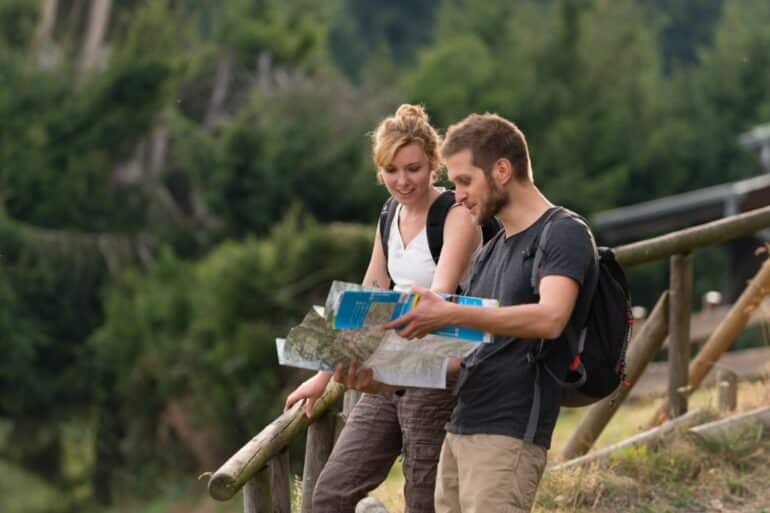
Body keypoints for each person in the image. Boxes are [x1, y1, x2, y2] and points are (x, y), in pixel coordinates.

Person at [378, 113, 599, 513]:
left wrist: (451, 313)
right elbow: (463, 354)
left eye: (465, 181)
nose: (456, 195)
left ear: (501, 170)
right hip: (460, 427)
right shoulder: (493, 251)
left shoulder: (564, 231)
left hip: (509, 433)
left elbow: (551, 318)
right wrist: (382, 373)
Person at [283, 104, 482, 513]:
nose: (402, 181)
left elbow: (436, 303)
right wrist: (322, 376)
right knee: (330, 495)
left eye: (413, 168)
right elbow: (366, 297)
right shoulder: (389, 214)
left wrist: (379, 335)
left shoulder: (455, 216)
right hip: (387, 370)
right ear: (380, 170)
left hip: (436, 373)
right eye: (392, 170)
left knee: (423, 502)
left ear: (433, 163)